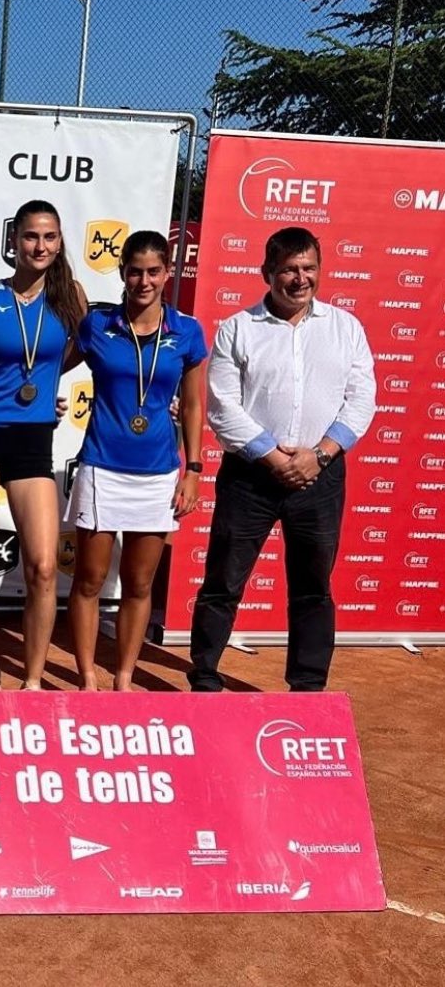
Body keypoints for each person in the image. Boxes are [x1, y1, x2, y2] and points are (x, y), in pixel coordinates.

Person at [188, 226, 376, 692]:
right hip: (250, 478)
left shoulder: (345, 327)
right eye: (289, 269)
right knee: (223, 583)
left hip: (321, 476)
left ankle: (308, 685)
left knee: (313, 587)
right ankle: (206, 677)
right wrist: (273, 457)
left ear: (320, 270)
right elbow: (222, 406)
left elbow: (363, 398)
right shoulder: (238, 328)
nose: (300, 278)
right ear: (267, 273)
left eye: (308, 268)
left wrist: (322, 454)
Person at [65, 231, 207, 691]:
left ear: (168, 273)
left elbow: (192, 406)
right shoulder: (98, 325)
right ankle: (86, 677)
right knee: (88, 580)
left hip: (158, 473)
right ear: (122, 272)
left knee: (139, 584)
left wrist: (194, 470)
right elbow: (49, 363)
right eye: (134, 271)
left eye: (153, 272)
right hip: (101, 467)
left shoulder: (187, 331)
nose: (143, 281)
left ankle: (123, 678)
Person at [0, 199, 86, 690]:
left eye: (50, 237)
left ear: (59, 243)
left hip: (33, 442)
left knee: (44, 565)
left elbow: (78, 349)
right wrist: (0, 389)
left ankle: (32, 680)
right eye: (31, 236)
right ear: (14, 242)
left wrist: (43, 382)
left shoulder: (69, 295)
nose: (40, 246)